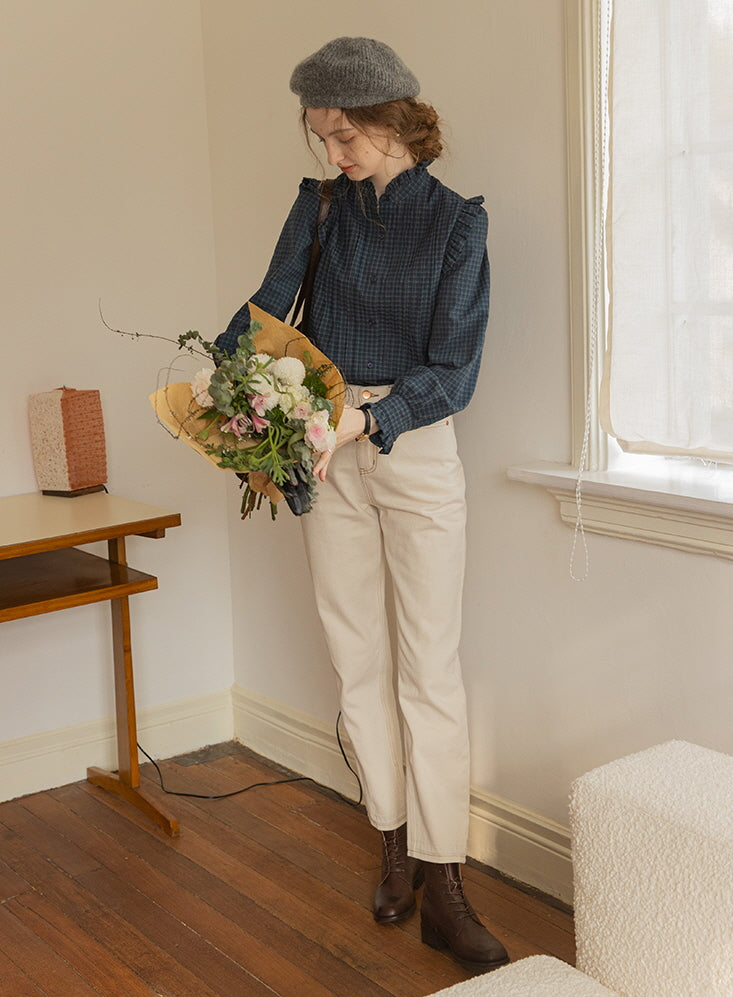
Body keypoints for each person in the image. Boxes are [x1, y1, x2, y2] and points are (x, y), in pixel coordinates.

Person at [216, 36, 508, 972]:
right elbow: (266, 310)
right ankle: (391, 838)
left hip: (412, 448)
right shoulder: (320, 208)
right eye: (323, 139)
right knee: (357, 657)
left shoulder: (458, 224)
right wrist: (222, 386)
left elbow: (453, 372)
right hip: (322, 446)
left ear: (391, 120)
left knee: (431, 670)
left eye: (344, 136)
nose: (332, 155)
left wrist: (361, 427)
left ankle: (445, 875)